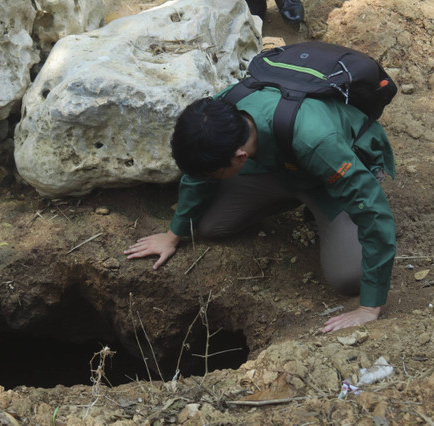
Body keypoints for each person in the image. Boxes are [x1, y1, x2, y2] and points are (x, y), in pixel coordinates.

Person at [125, 83, 397, 334]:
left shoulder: (316, 140)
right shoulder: (219, 115)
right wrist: (174, 235)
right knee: (206, 225)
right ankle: (293, 197)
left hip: (326, 179)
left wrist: (368, 307)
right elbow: (198, 175)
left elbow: (374, 211)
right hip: (279, 168)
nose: (208, 177)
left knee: (348, 277)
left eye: (214, 173)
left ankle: (322, 210)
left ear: (239, 157)